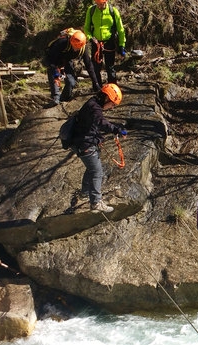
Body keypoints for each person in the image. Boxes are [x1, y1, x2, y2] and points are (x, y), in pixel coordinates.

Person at [68, 83, 128, 213]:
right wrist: (116, 129)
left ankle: (85, 193)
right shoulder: (95, 108)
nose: (112, 107)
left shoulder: (92, 103)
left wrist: (99, 138)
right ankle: (95, 202)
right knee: (97, 172)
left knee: (91, 168)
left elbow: (92, 125)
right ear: (106, 98)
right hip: (85, 145)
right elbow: (101, 122)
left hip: (81, 142)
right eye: (112, 104)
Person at [44, 28, 100, 106]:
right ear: (71, 41)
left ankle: (64, 98)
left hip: (67, 60)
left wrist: (96, 83)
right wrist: (56, 71)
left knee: (71, 81)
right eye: (74, 46)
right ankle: (56, 98)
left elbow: (89, 66)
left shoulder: (84, 49)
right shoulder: (62, 42)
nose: (75, 49)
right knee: (55, 75)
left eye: (77, 48)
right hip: (53, 58)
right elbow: (51, 59)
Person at [84, 0, 126, 87]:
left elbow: (121, 29)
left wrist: (122, 45)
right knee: (96, 67)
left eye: (101, 4)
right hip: (96, 43)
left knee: (110, 67)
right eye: (97, 4)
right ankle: (98, 88)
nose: (99, 6)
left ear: (105, 2)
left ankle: (112, 88)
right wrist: (90, 38)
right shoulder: (91, 10)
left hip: (109, 42)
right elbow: (86, 28)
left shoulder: (113, 11)